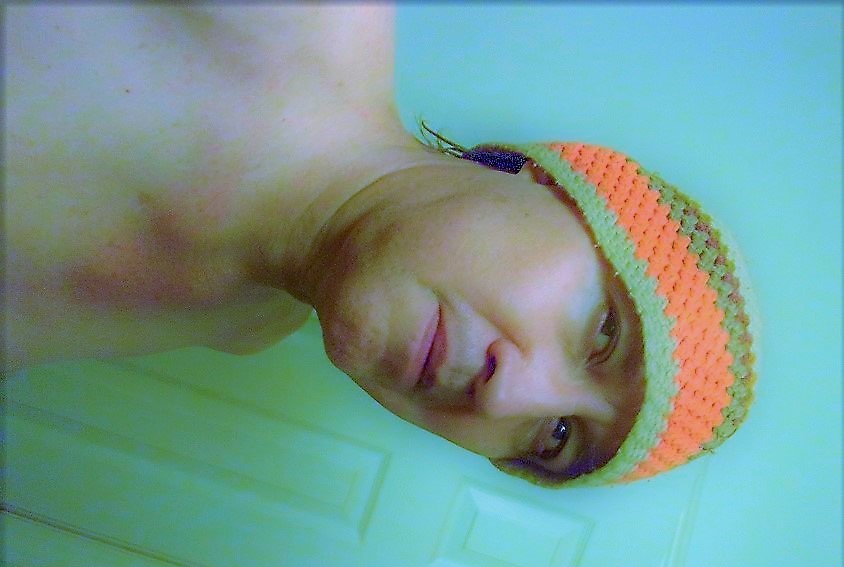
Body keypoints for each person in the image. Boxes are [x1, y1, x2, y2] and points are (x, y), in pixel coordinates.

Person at [4, 4, 756, 486]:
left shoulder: (245, 325)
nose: (505, 397)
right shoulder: (295, 19)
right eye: (603, 332)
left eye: (555, 437)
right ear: (556, 184)